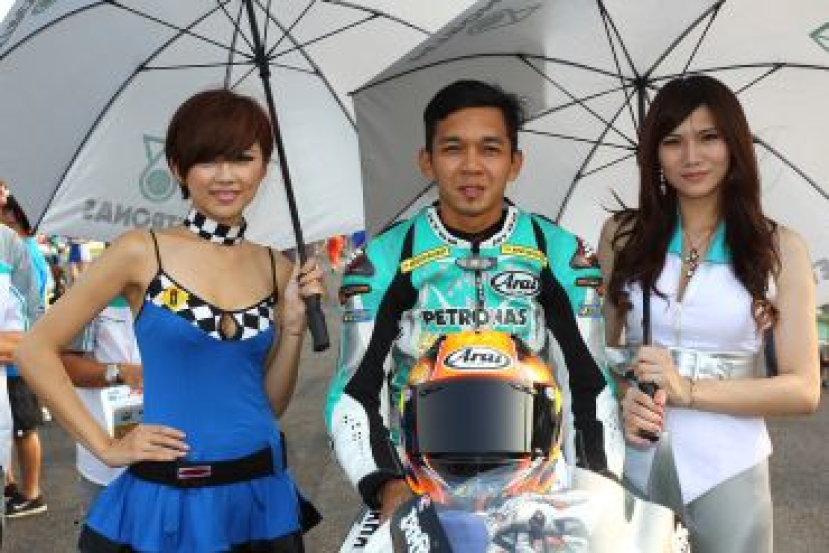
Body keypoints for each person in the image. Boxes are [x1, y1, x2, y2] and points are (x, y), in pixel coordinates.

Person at [15, 88, 324, 552]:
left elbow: (269, 404)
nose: (226, 175)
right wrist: (106, 446)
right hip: (172, 501)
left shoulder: (275, 268)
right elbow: (34, 350)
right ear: (178, 169)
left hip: (260, 494)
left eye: (242, 158)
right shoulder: (141, 251)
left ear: (264, 168)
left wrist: (294, 326)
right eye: (207, 160)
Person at [325, 79, 619, 523]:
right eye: (452, 149)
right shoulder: (380, 261)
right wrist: (385, 484)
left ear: (515, 162)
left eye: (490, 149)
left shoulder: (562, 255)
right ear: (427, 161)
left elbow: (590, 386)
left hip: (541, 490)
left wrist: (600, 486)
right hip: (417, 487)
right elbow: (354, 392)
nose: (471, 166)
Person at [598, 75, 820, 552]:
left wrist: (689, 390)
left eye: (708, 137)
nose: (691, 156)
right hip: (635, 457)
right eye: (672, 141)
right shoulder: (622, 236)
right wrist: (623, 394)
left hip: (730, 467)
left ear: (734, 144)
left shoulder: (779, 249)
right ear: (654, 154)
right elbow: (604, 353)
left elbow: (804, 389)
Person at [61, 294, 142, 517]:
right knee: (103, 532)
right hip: (104, 459)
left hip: (170, 452)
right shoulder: (91, 290)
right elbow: (67, 365)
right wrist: (118, 372)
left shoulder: (176, 288)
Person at [0, 195, 48, 518]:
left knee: (24, 429)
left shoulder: (19, 248)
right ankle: (14, 485)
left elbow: (32, 319)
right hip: (15, 364)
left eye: (7, 211)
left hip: (17, 370)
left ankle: (31, 493)